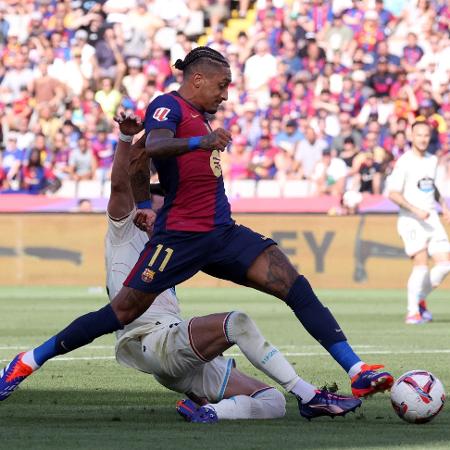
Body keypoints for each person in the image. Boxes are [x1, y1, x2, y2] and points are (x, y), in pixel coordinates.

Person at [0, 47, 393, 405]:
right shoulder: (167, 106)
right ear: (197, 79)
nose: (225, 95)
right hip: (180, 239)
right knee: (119, 313)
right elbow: (149, 150)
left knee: (294, 284)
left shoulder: (203, 119)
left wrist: (148, 198)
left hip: (222, 233)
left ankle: (357, 371)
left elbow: (143, 166)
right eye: (222, 86)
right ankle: (29, 360)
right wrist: (159, 187)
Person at [104, 112, 361, 422]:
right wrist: (128, 138)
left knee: (271, 402)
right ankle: (309, 396)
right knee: (236, 323)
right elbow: (121, 186)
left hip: (176, 352)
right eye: (160, 201)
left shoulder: (172, 245)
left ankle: (208, 413)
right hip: (153, 342)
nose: (166, 208)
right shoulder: (125, 230)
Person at [388, 121, 450, 324]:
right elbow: (393, 194)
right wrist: (415, 210)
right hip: (411, 220)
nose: (423, 139)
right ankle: (412, 311)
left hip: (430, 217)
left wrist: (444, 207)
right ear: (411, 137)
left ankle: (420, 298)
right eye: (419, 135)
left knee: (445, 264)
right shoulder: (404, 162)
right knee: (421, 262)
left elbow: (436, 188)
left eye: (426, 136)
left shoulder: (433, 160)